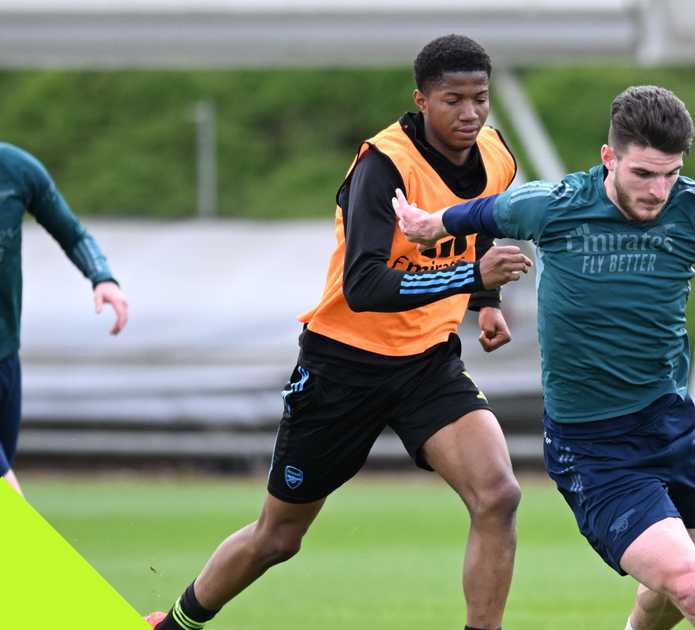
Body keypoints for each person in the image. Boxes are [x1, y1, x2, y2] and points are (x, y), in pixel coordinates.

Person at [394, 85, 695, 630]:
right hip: (595, 447)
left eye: (670, 174)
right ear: (609, 158)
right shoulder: (554, 207)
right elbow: (479, 213)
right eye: (643, 175)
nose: (658, 191)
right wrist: (429, 225)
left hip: (671, 426)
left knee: (675, 591)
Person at [147, 34, 531, 630]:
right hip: (342, 365)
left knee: (499, 494)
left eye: (479, 98)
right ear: (421, 100)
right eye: (453, 100)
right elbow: (365, 287)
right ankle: (175, 623)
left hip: (427, 364)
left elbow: (476, 224)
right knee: (277, 538)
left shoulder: (496, 155)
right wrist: (468, 275)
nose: (470, 112)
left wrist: (484, 301)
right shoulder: (382, 167)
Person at [0, 143, 129, 497]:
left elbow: (72, 232)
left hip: (6, 357)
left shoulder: (17, 171)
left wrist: (102, 277)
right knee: (9, 504)